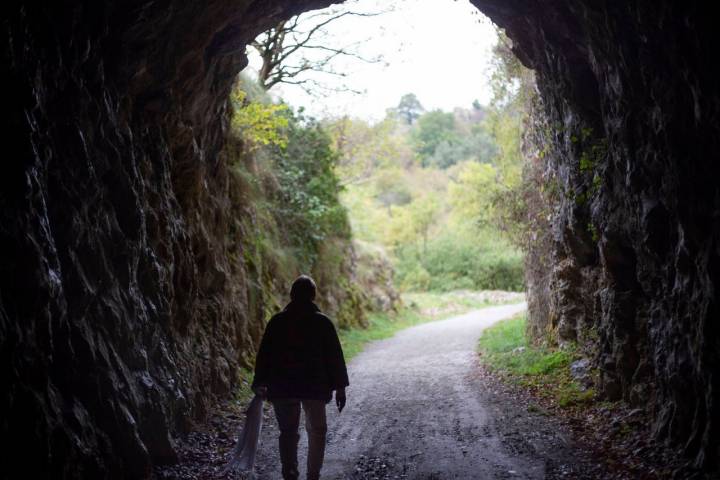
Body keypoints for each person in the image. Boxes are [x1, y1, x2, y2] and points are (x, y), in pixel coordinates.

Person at [252, 275, 349, 480]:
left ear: (291, 295)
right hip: (314, 388)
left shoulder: (276, 322)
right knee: (318, 431)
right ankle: (313, 475)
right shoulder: (323, 323)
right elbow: (335, 357)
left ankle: (290, 472)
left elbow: (264, 356)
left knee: (288, 433)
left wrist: (260, 382)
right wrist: (340, 388)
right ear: (313, 296)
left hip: (282, 388)